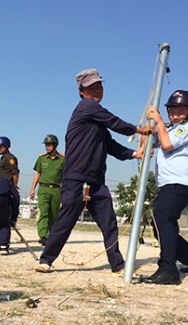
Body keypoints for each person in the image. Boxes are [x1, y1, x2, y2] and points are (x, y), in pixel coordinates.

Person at [35, 68, 147, 273]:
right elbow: (115, 122)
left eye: (99, 86)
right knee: (65, 220)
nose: (97, 90)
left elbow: (111, 145)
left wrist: (134, 154)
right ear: (81, 90)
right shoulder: (86, 107)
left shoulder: (98, 122)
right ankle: (46, 259)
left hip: (96, 180)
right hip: (76, 178)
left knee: (109, 222)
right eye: (91, 87)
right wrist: (139, 130)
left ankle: (118, 264)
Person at [141, 90, 188, 285]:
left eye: (180, 112)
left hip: (180, 183)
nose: (175, 116)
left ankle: (168, 270)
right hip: (168, 184)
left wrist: (160, 121)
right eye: (172, 112)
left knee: (162, 219)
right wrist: (148, 127)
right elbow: (148, 145)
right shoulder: (171, 128)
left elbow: (167, 144)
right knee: (161, 225)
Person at [30, 134, 65, 246]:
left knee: (53, 214)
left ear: (55, 145)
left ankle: (50, 235)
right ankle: (43, 235)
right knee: (43, 212)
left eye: (49, 145)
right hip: (43, 188)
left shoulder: (63, 159)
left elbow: (65, 176)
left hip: (56, 190)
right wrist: (32, 189)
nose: (47, 147)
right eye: (46, 145)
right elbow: (37, 174)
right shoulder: (41, 158)